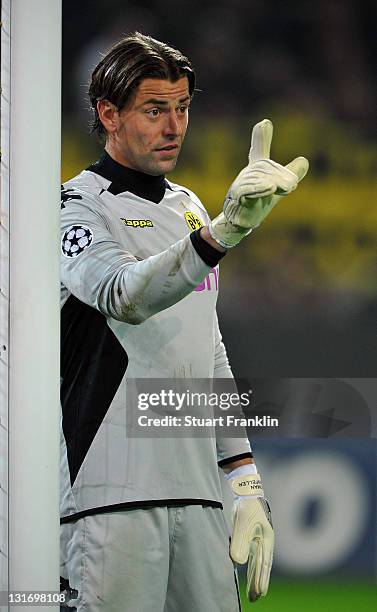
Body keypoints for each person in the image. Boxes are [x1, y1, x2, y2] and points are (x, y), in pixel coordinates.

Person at [60, 32, 308, 611]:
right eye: (154, 110)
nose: (174, 127)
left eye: (182, 108)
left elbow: (208, 350)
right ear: (108, 114)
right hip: (109, 497)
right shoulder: (73, 205)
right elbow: (123, 295)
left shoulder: (189, 208)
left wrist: (242, 478)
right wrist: (224, 232)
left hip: (199, 499)